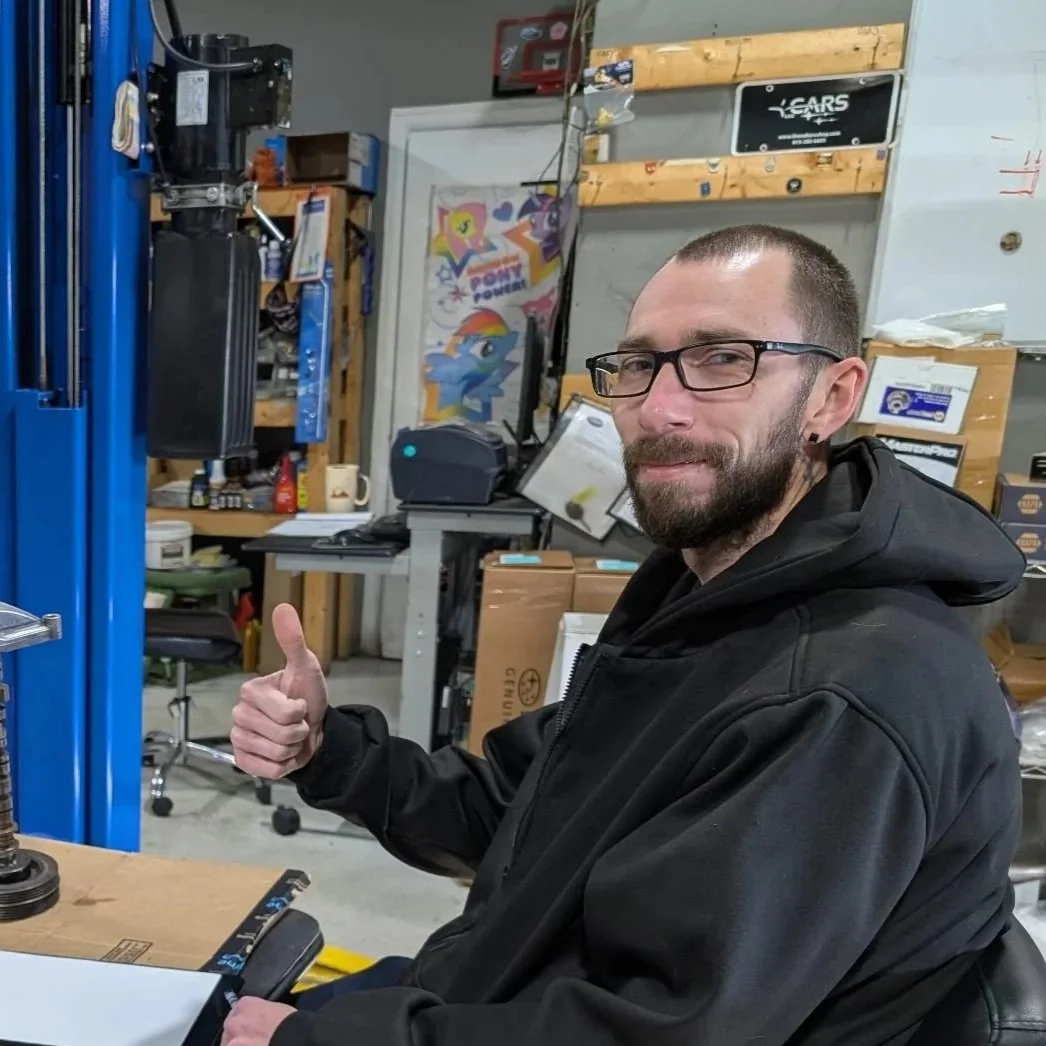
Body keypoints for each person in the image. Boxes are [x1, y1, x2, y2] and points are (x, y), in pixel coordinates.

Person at [223, 224, 1025, 1046]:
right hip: (505, 990)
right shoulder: (704, 592)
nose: (658, 407)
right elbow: (526, 811)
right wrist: (328, 751)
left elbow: (656, 1032)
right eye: (639, 364)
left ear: (831, 396)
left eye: (723, 360)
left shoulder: (845, 691)